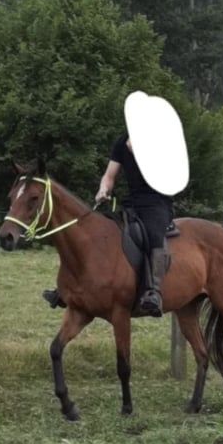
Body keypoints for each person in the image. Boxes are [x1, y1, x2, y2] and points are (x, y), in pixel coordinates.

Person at [42, 133, 174, 317]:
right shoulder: (121, 141)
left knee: (153, 235)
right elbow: (109, 175)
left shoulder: (159, 141)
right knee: (98, 232)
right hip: (131, 203)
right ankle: (67, 289)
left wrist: (144, 153)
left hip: (156, 203)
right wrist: (103, 189)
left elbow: (169, 174)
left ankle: (154, 292)